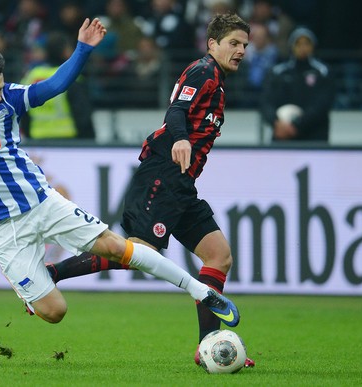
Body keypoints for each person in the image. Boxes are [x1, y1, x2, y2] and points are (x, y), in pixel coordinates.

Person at [0, 18, 239, 328]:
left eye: (0, 90)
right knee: (54, 312)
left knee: (116, 246)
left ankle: (201, 292)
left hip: (41, 203)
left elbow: (53, 86)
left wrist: (82, 50)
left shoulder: (9, 101)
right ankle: (29, 287)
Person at [45, 14, 255, 367]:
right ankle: (51, 274)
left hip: (181, 184)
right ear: (212, 44)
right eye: (234, 43)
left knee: (218, 256)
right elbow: (176, 112)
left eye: (245, 45)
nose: (241, 51)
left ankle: (207, 348)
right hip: (162, 174)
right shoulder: (203, 71)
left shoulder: (216, 81)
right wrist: (183, 137)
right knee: (139, 251)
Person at [260, 26, 335, 142]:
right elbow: (266, 102)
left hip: (315, 136)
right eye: (298, 44)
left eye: (306, 43)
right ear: (292, 46)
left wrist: (297, 125)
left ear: (313, 46)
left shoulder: (323, 72)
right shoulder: (278, 72)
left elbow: (323, 104)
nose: (302, 48)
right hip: (282, 134)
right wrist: (276, 122)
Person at [20, 31, 95, 140]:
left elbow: (22, 112)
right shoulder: (71, 77)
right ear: (65, 51)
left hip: (37, 139)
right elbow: (82, 116)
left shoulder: (30, 77)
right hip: (67, 140)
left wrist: (29, 135)